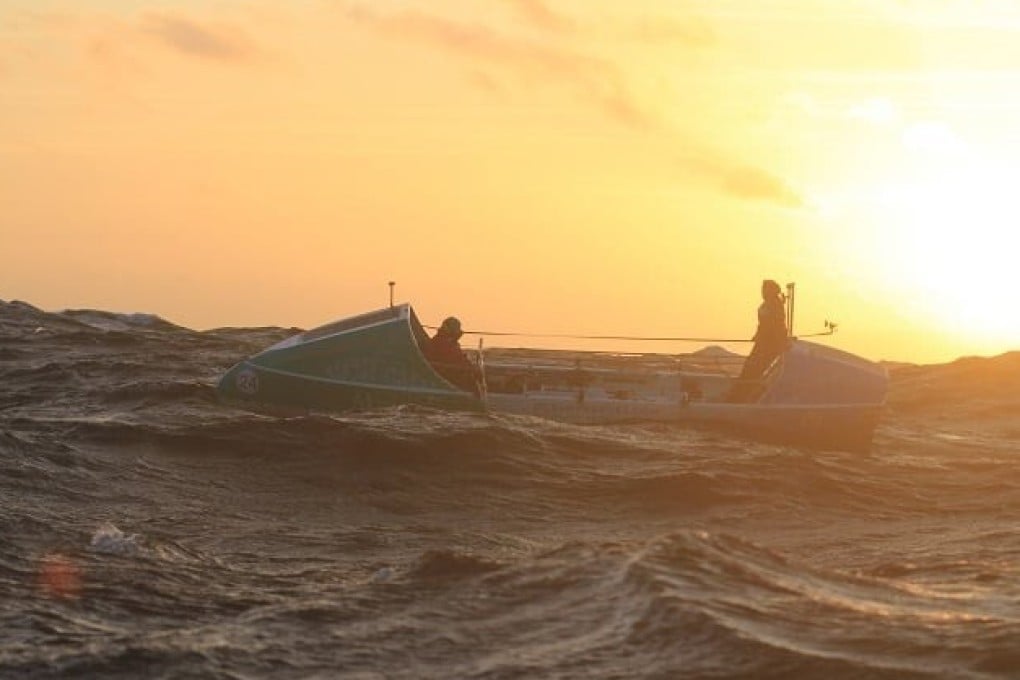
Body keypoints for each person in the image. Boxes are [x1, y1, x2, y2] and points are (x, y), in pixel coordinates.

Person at [729, 279, 789, 402]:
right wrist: (757, 335)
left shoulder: (774, 305)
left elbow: (774, 326)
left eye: (764, 289)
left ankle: (740, 397)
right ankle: (739, 395)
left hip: (768, 346)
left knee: (752, 370)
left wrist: (778, 341)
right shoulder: (769, 304)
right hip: (763, 344)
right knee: (749, 368)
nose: (762, 292)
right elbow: (762, 325)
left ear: (770, 291)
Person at [424, 316, 482, 394]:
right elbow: (457, 359)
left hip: (449, 371)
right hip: (449, 375)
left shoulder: (442, 340)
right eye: (456, 329)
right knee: (474, 377)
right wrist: (473, 369)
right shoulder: (443, 343)